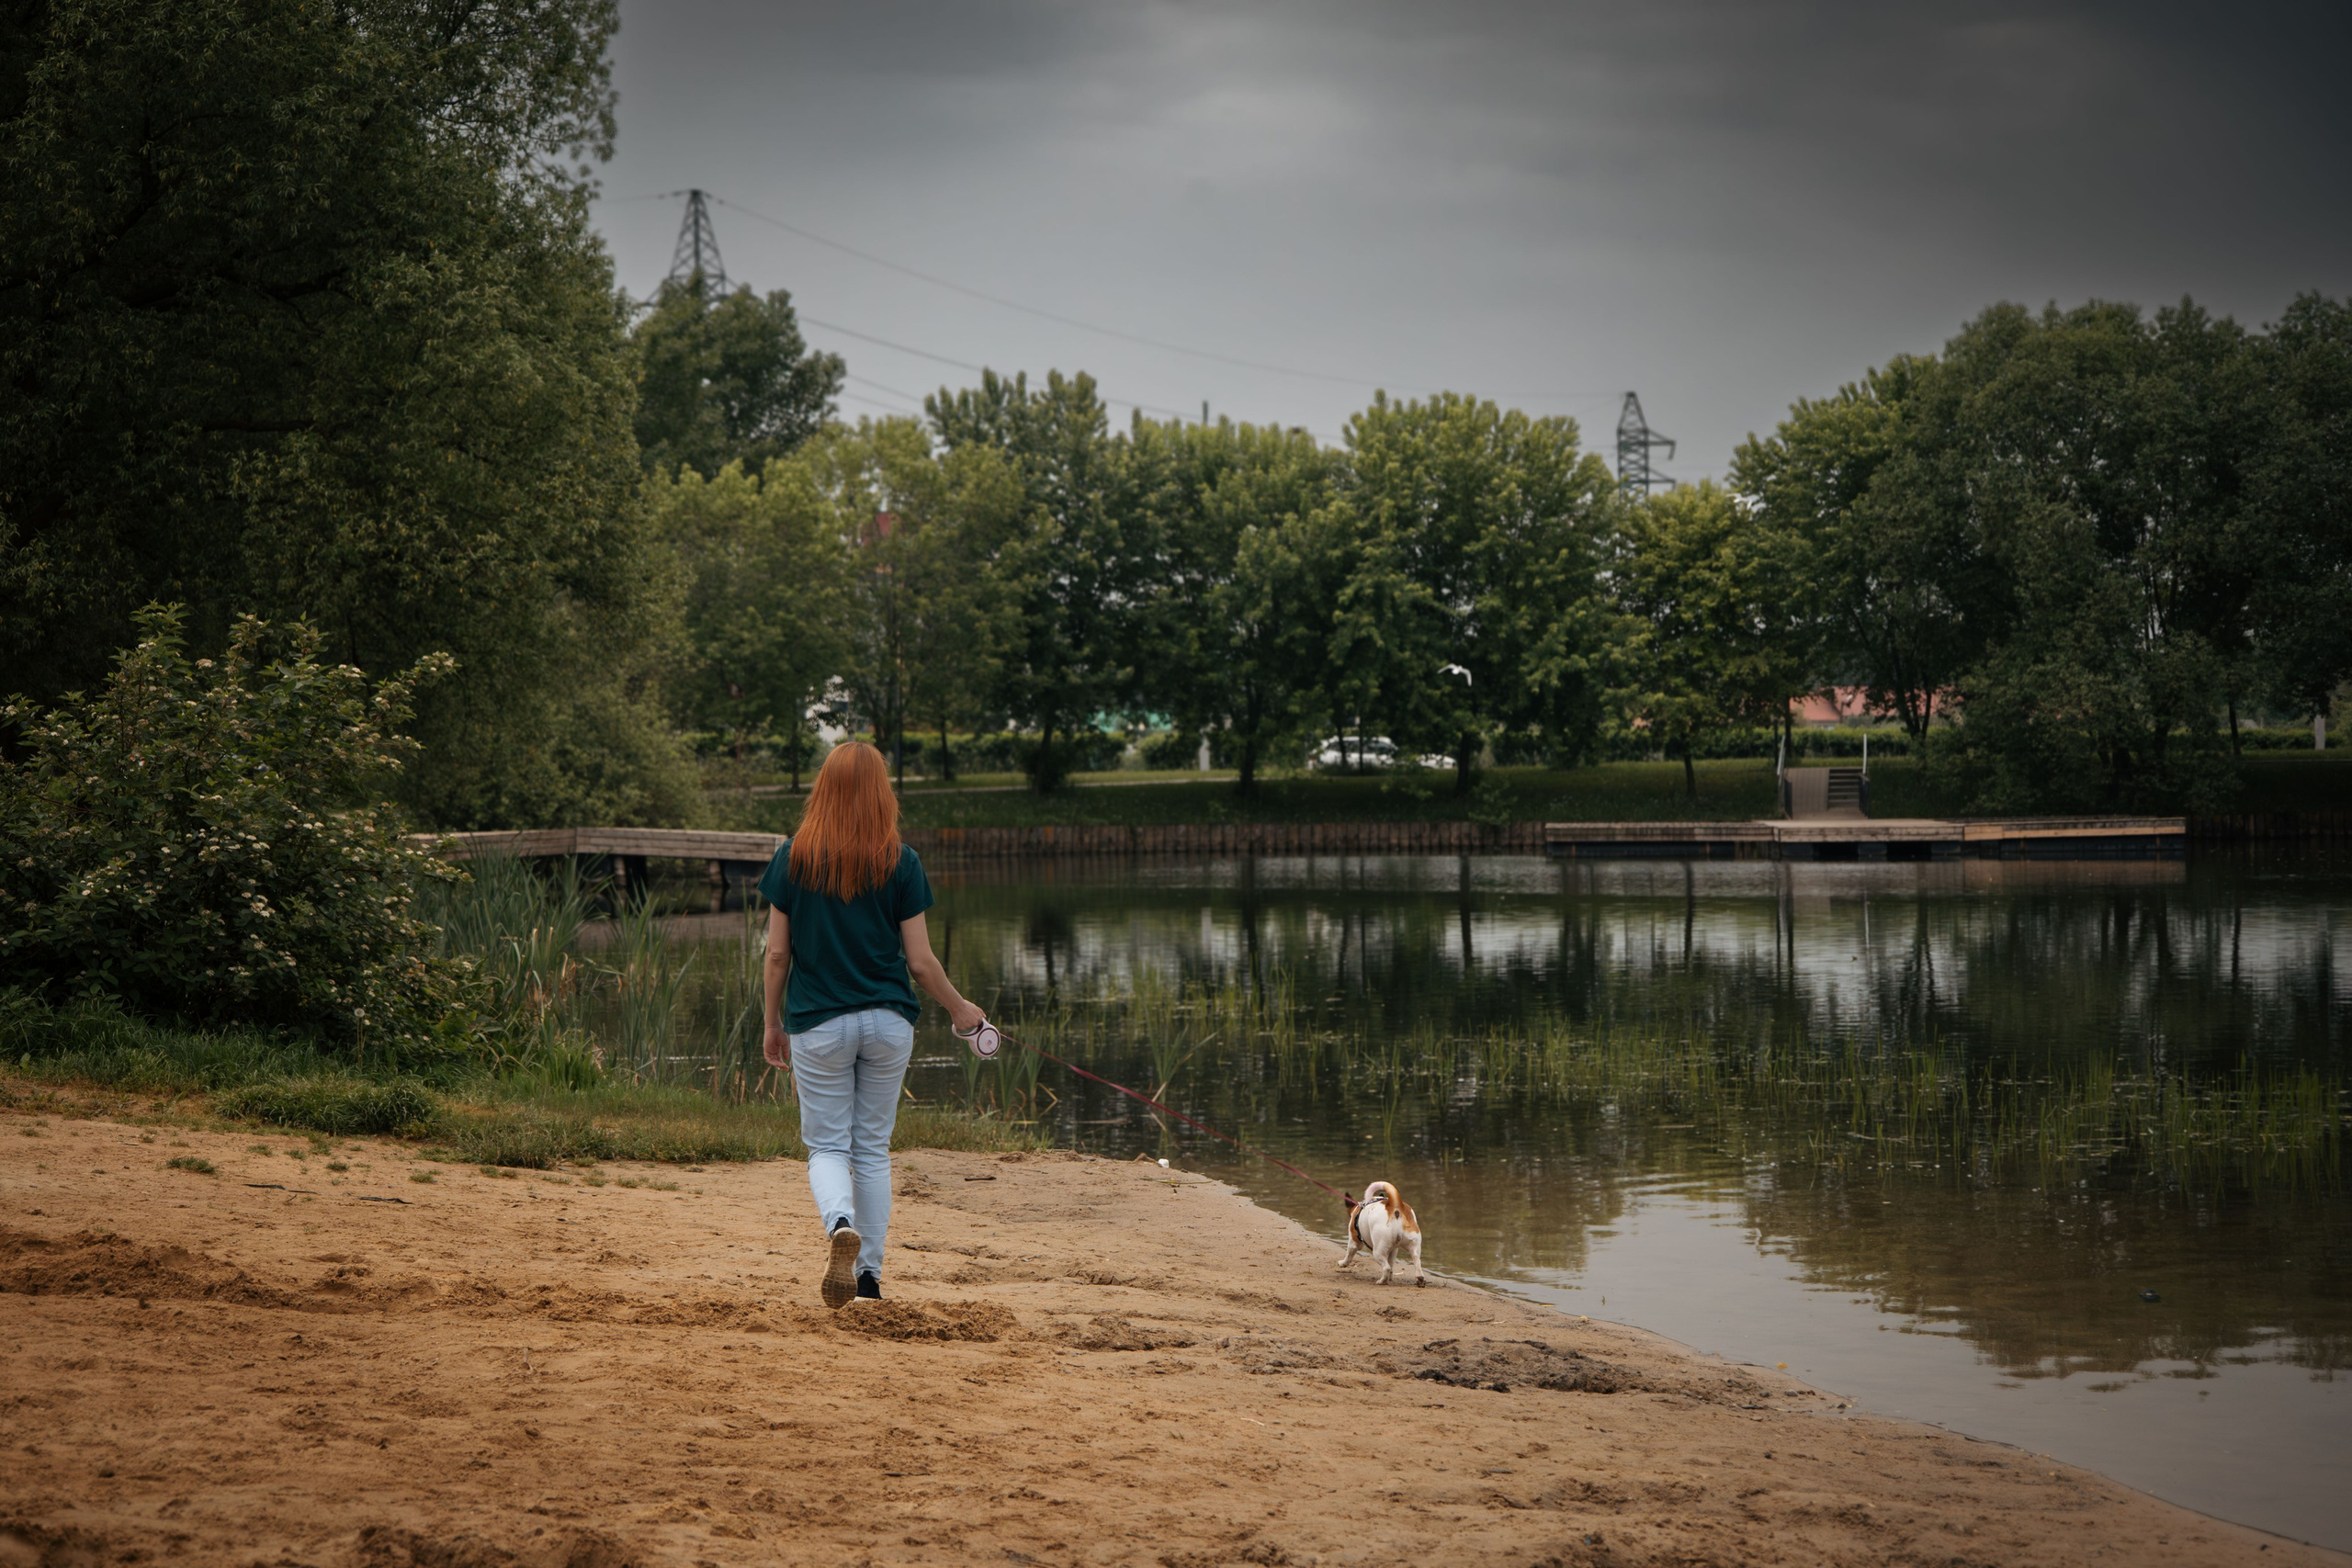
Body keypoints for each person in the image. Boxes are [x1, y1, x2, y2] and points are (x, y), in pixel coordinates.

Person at [758, 741, 984, 1309]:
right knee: (873, 1151)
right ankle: (868, 1282)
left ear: (823, 790)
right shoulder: (900, 861)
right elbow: (921, 962)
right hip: (887, 1023)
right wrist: (962, 1011)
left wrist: (771, 1022)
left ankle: (839, 1225)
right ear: (882, 793)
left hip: (819, 1025)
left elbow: (777, 956)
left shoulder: (792, 859)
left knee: (828, 1147)